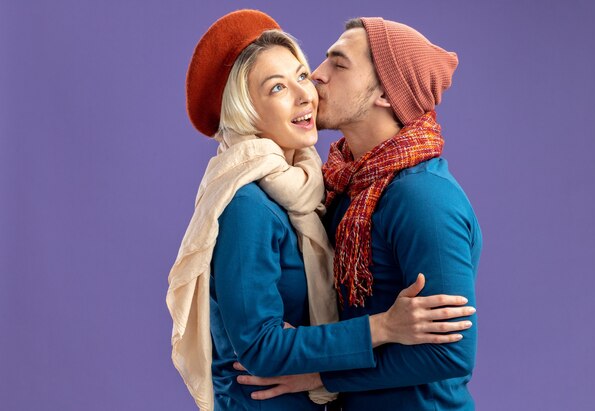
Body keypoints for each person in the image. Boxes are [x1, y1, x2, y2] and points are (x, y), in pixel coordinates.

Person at [166, 9, 475, 411]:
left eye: (338, 63)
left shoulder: (421, 199)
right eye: (278, 86)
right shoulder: (335, 190)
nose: (315, 77)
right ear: (246, 110)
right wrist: (377, 330)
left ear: (385, 92)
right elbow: (261, 341)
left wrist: (319, 375)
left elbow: (449, 353)